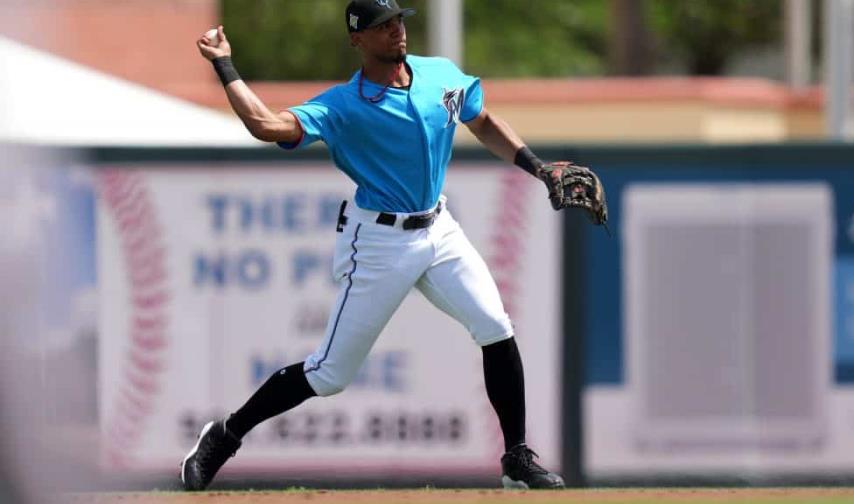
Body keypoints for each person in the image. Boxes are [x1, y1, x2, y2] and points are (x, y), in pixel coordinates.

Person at [183, 0, 566, 491]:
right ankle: (225, 434)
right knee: (329, 374)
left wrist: (538, 167)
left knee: (495, 326)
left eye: (398, 21)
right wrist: (224, 63)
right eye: (381, 26)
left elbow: (482, 121)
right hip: (379, 241)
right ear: (357, 39)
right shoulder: (344, 106)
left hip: (439, 228)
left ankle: (516, 456)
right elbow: (267, 126)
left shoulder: (439, 75)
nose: (396, 32)